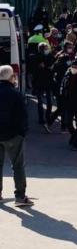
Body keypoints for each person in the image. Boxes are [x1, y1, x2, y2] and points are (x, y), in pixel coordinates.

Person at [0, 66, 33, 206]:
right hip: (13, 135)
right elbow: (22, 116)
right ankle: (20, 196)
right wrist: (22, 132)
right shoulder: (15, 94)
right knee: (18, 165)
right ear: (11, 77)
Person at [32, 42, 55, 126]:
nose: (47, 50)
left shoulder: (50, 56)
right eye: (45, 48)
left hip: (48, 81)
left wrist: (46, 67)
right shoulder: (37, 57)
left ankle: (47, 116)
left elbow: (51, 66)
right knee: (41, 102)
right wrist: (47, 67)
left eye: (47, 48)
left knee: (49, 101)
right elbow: (36, 70)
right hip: (39, 82)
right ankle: (41, 118)